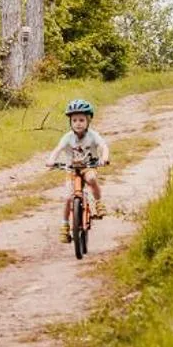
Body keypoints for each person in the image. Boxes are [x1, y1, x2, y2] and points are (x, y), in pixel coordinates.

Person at [49, 98, 110, 243]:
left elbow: (103, 146)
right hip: (71, 169)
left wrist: (104, 158)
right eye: (75, 120)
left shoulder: (93, 136)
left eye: (82, 120)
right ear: (70, 122)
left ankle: (98, 203)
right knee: (69, 198)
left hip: (88, 166)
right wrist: (51, 160)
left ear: (88, 121)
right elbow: (57, 149)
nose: (78, 123)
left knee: (91, 179)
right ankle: (65, 225)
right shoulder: (67, 137)